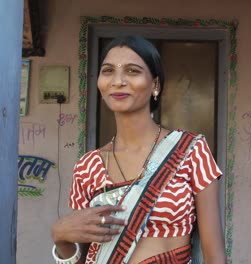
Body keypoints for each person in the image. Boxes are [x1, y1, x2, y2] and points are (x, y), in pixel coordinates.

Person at [51, 35, 226, 264]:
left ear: (155, 84)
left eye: (132, 71)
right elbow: (80, 257)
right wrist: (60, 237)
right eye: (108, 71)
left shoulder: (191, 151)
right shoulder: (87, 166)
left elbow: (215, 256)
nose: (118, 81)